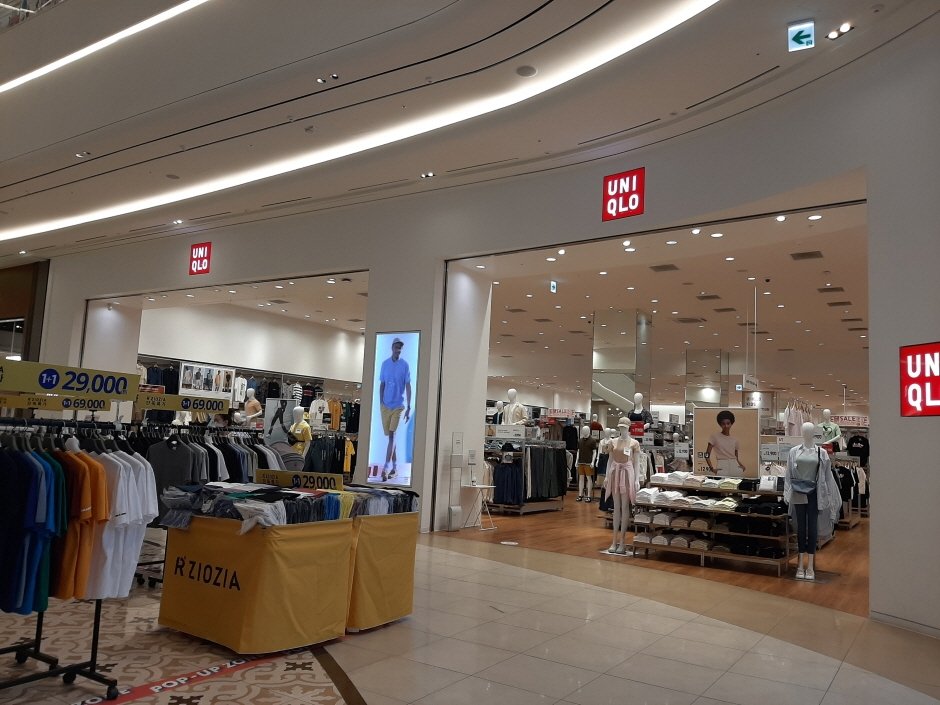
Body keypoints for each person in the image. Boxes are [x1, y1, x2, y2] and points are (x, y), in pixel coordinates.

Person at [379, 337, 411, 481]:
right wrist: (381, 402)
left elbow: (408, 386)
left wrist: (408, 406)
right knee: (391, 437)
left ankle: (385, 468)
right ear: (392, 348)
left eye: (400, 347)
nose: (398, 350)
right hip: (385, 406)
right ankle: (395, 468)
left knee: (392, 435)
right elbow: (382, 384)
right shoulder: (385, 364)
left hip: (398, 406)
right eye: (397, 347)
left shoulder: (404, 365)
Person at [706, 409, 745, 476]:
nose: (726, 426)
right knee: (722, 482)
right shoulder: (714, 437)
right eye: (723, 424)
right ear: (720, 424)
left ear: (731, 424)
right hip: (722, 465)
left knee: (736, 483)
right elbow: (707, 455)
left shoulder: (735, 440)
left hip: (735, 466)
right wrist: (712, 469)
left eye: (728, 423)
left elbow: (736, 458)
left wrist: (742, 466)